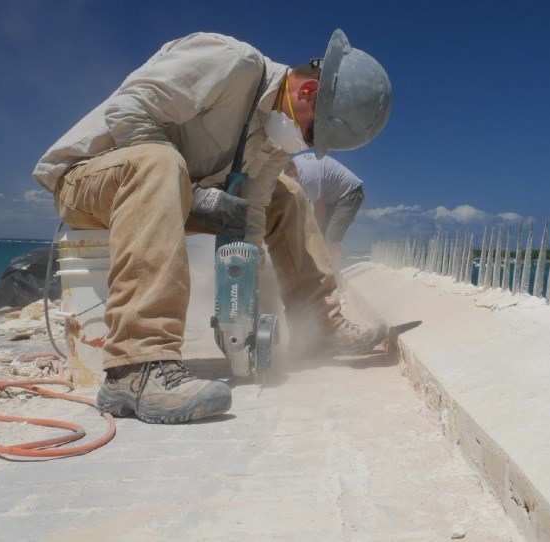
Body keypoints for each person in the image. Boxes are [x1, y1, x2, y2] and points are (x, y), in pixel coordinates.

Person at [33, 30, 392, 424]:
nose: (306, 146)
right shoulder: (230, 62)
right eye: (312, 134)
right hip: (89, 179)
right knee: (160, 163)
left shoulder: (273, 138)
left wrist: (237, 307)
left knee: (285, 195)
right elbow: (128, 112)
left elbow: (250, 217)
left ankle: (321, 326)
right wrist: (193, 192)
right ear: (306, 91)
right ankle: (136, 365)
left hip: (171, 192)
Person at [285, 154, 365, 290]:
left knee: (331, 237)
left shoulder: (308, 177)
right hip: (331, 197)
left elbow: (320, 210)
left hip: (349, 194)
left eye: (289, 176)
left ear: (292, 168)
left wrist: (309, 233)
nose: (291, 180)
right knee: (320, 237)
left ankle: (333, 279)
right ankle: (321, 273)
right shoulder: (296, 162)